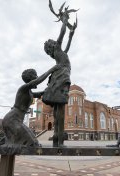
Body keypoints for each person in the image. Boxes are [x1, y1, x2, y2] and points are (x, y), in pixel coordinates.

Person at [0, 65, 60, 148]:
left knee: (35, 141)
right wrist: (52, 69)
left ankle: (8, 141)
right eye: (36, 76)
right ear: (31, 78)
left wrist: (52, 87)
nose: (37, 77)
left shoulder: (30, 92)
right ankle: (7, 142)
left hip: (18, 121)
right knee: (33, 144)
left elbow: (41, 93)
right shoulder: (23, 88)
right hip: (11, 120)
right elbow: (38, 80)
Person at [42, 2, 77, 147]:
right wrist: (64, 20)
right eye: (53, 42)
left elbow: (67, 46)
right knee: (60, 108)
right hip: (62, 76)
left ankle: (57, 138)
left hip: (61, 75)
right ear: (52, 46)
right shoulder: (57, 48)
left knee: (57, 109)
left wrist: (71, 35)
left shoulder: (60, 52)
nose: (55, 42)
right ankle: (59, 141)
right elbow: (62, 33)